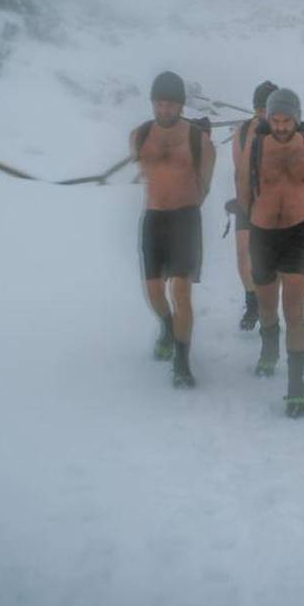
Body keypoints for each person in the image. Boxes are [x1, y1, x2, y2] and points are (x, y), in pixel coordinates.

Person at [237, 88, 304, 418]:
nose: (279, 126)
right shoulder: (256, 143)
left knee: (294, 311)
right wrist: (247, 217)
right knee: (266, 306)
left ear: (297, 118)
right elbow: (243, 180)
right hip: (262, 234)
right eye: (274, 120)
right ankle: (269, 344)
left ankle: (296, 387)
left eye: (285, 120)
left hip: (295, 236)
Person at [131, 71, 216, 387]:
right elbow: (143, 170)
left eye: (170, 105)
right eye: (159, 104)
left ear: (181, 106)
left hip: (185, 221)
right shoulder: (139, 136)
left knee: (181, 292)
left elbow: (204, 185)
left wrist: (185, 202)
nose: (164, 110)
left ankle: (181, 359)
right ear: (153, 103)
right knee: (153, 292)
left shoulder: (198, 140)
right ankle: (167, 326)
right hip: (153, 220)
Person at [228, 80, 279, 330]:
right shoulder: (243, 131)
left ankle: (269, 304)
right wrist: (239, 197)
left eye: (266, 108)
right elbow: (239, 168)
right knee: (242, 255)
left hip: (274, 203)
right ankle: (252, 302)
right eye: (258, 108)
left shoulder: (284, 132)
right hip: (247, 202)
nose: (262, 114)